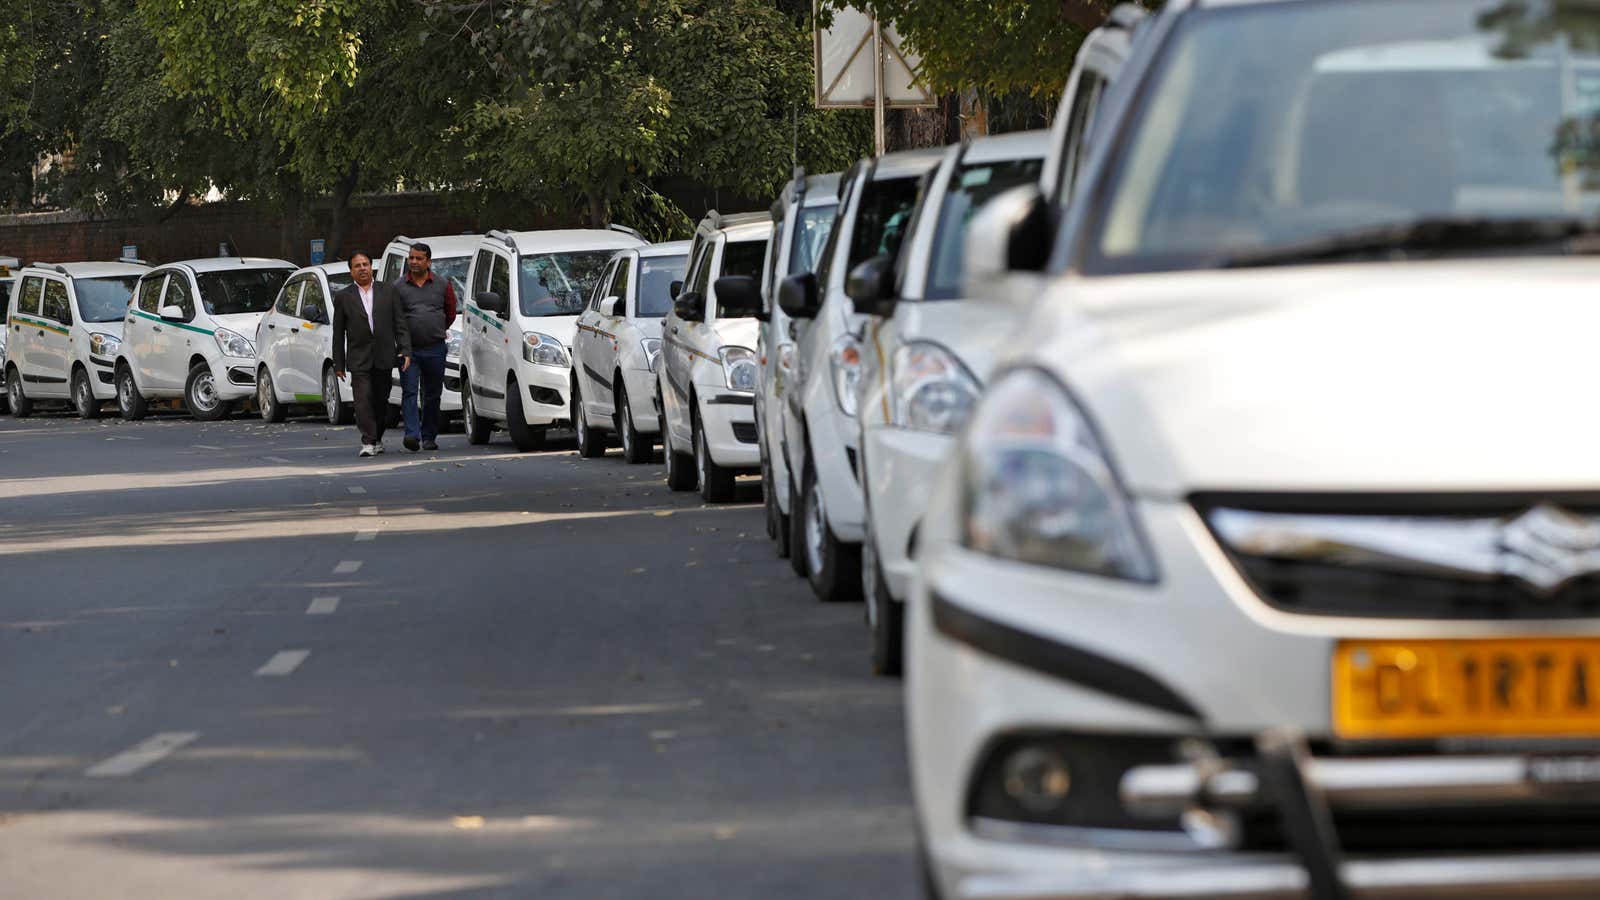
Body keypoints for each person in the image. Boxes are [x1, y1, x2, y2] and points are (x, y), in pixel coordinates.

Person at [333, 251, 411, 457]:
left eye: (365, 264)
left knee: (380, 401)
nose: (362, 268)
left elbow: (400, 323)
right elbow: (338, 332)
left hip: (384, 355)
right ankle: (368, 440)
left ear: (371, 267)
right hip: (359, 357)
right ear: (351, 271)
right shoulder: (343, 296)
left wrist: (405, 349)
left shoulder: (388, 291)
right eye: (357, 265)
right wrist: (338, 364)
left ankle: (377, 438)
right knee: (362, 399)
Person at [392, 242, 457, 452]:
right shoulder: (398, 287)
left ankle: (429, 436)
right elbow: (394, 318)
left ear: (428, 261)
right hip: (408, 351)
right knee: (410, 391)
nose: (414, 262)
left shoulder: (442, 284)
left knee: (432, 393)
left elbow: (450, 312)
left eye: (419, 258)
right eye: (411, 258)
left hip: (435, 348)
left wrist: (435, 329)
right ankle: (412, 435)